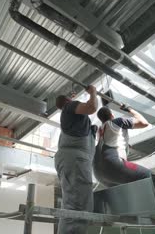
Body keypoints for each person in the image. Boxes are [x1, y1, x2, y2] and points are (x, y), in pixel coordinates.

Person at [54, 85, 98, 234]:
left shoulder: (67, 116)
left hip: (69, 159)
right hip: (75, 160)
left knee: (72, 204)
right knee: (78, 208)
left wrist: (71, 97)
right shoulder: (70, 107)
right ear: (68, 101)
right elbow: (92, 107)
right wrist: (93, 92)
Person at [93, 105, 151, 188]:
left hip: (98, 173)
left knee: (126, 190)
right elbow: (144, 123)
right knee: (148, 175)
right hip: (113, 165)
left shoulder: (100, 131)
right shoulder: (117, 121)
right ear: (112, 115)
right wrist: (130, 109)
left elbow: (110, 141)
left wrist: (126, 145)